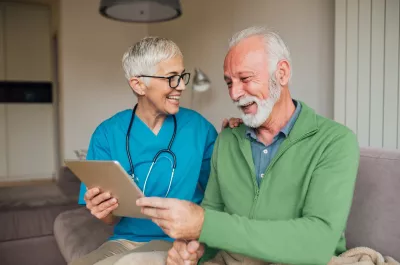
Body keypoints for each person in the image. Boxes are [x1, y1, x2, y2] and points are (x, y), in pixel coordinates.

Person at [136, 26, 360, 265]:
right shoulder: (228, 140)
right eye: (229, 82)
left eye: (245, 79)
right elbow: (212, 217)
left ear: (281, 74)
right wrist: (193, 249)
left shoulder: (335, 141)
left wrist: (205, 224)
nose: (234, 93)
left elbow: (318, 241)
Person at [70, 36, 221, 265]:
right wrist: (102, 210)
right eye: (171, 78)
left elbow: (222, 194)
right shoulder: (107, 134)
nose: (181, 86)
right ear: (138, 84)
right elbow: (111, 219)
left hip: (179, 242)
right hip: (125, 240)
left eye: (181, 76)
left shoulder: (199, 128)